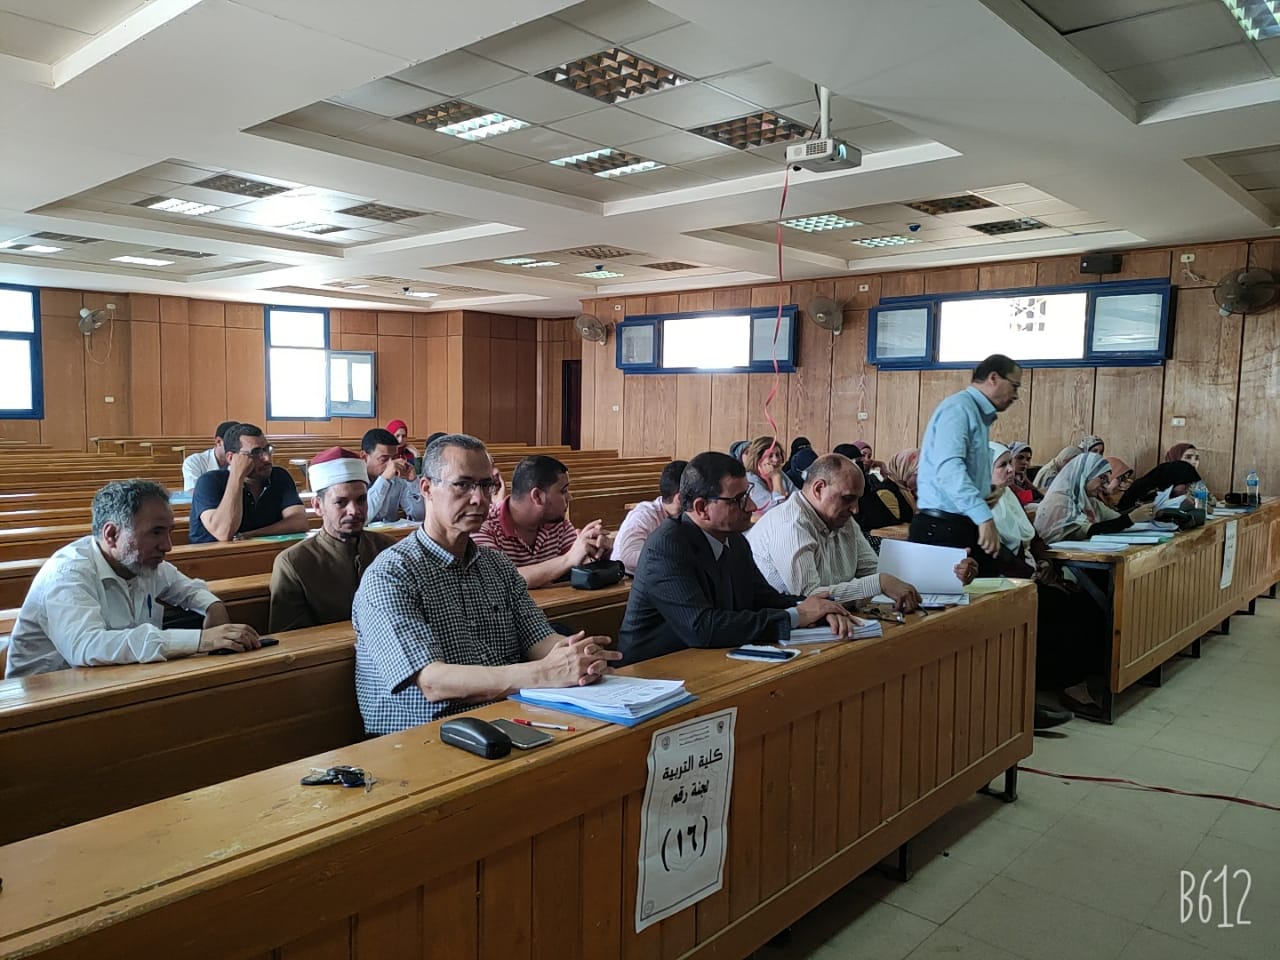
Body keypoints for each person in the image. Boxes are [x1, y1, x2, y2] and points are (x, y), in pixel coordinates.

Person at [351, 434, 620, 735]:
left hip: (500, 717)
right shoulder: (390, 574)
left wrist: (577, 656)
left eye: (485, 485)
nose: (479, 499)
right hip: (420, 736)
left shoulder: (497, 566)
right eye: (462, 485)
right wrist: (543, 673)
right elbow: (432, 682)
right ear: (426, 488)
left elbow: (538, 639)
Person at [617, 451, 859, 666]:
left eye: (748, 494)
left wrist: (819, 608)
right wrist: (796, 616)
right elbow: (702, 627)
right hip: (652, 671)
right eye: (738, 500)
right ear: (701, 508)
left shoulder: (734, 540)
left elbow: (764, 598)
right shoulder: (667, 546)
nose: (751, 506)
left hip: (705, 659)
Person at [5, 480, 260, 678]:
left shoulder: (142, 562)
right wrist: (200, 640)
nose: (167, 546)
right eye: (155, 532)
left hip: (113, 681)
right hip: (47, 697)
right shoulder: (67, 574)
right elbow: (87, 647)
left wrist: (213, 606)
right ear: (112, 534)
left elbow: (189, 589)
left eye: (169, 532)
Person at [748, 454, 976, 611]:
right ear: (818, 489)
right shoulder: (790, 525)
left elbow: (876, 571)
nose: (855, 509)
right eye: (848, 498)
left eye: (857, 499)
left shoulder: (842, 519)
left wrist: (950, 571)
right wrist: (879, 583)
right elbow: (810, 597)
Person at [984, 444, 1100, 724]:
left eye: (1010, 463)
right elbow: (993, 552)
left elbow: (1033, 537)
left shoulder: (1007, 496)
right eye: (1002, 465)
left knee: (1082, 602)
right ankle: (1066, 685)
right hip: (1001, 581)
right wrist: (1032, 573)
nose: (1010, 470)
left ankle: (1081, 677)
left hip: (1028, 573)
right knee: (1058, 610)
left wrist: (1045, 563)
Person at [910, 354, 1021, 573]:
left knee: (998, 587)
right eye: (1014, 386)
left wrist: (988, 491)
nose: (1016, 395)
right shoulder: (959, 409)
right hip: (942, 528)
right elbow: (949, 471)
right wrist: (984, 517)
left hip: (959, 524)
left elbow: (963, 472)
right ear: (993, 378)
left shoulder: (976, 413)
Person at [269, 448, 396, 632]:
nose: (354, 511)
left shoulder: (389, 550)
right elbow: (292, 640)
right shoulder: (293, 563)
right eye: (341, 502)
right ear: (318, 506)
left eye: (361, 500)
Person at [473, 454, 608, 588]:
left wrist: (595, 550)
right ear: (537, 496)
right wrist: (568, 559)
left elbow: (578, 560)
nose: (569, 497)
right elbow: (496, 579)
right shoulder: (483, 525)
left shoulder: (556, 523)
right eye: (563, 491)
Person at [188, 424, 308, 544]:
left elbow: (299, 522)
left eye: (267, 449)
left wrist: (250, 535)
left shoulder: (279, 476)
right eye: (256, 453)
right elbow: (224, 532)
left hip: (264, 552)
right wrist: (237, 475)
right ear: (231, 458)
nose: (267, 458)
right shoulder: (209, 482)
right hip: (214, 554)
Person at [1033, 452, 1139, 543]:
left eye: (1107, 480)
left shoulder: (1089, 500)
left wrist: (1142, 513)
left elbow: (1116, 519)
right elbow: (1091, 530)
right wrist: (1131, 518)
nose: (1105, 485)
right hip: (1055, 557)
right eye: (1102, 478)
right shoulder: (1060, 501)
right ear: (1086, 474)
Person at [611, 460, 687, 574]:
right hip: (627, 579)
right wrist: (674, 558)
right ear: (680, 498)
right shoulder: (644, 515)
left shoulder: (681, 516)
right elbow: (629, 557)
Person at [361, 428, 425, 524]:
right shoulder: (353, 482)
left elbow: (420, 515)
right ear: (364, 457)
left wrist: (413, 481)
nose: (391, 464)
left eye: (394, 458)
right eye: (384, 459)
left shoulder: (397, 479)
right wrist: (384, 480)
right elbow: (363, 517)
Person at [1117, 461, 1201, 513]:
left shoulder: (1167, 492)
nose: (1186, 490)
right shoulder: (1146, 492)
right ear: (1173, 480)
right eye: (1185, 486)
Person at [742, 435, 796, 515]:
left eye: (778, 455)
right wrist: (776, 478)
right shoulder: (750, 479)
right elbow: (776, 510)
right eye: (770, 456)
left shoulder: (779, 473)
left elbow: (797, 498)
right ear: (758, 459)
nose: (776, 459)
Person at [181, 420, 238, 491]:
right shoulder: (193, 462)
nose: (238, 448)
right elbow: (193, 493)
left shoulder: (242, 461)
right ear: (219, 442)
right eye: (234, 443)